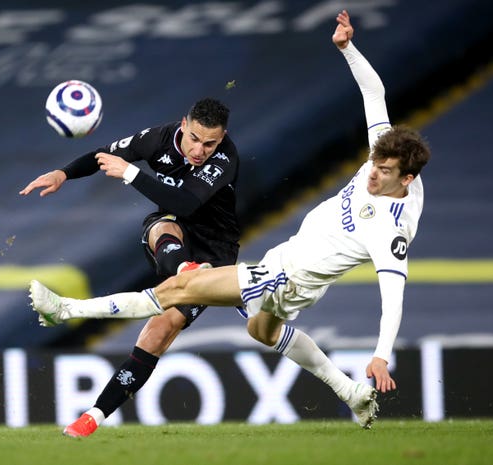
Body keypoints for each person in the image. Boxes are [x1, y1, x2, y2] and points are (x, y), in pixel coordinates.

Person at [29, 10, 431, 429]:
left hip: (276, 270)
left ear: (406, 178)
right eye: (375, 164)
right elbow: (374, 94)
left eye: (383, 173)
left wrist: (382, 354)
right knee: (263, 331)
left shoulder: (391, 227)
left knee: (175, 293)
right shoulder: (384, 157)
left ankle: (66, 309)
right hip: (287, 262)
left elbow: (394, 292)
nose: (372, 173)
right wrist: (348, 48)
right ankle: (351, 393)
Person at [20, 97, 243, 437]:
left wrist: (131, 174)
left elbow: (185, 200)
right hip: (177, 234)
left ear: (221, 137)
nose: (200, 150)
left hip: (217, 251)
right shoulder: (157, 139)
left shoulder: (225, 158)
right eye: (195, 138)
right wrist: (64, 173)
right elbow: (102, 155)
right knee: (161, 226)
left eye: (209, 143)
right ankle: (184, 271)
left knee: (159, 332)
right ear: (184, 125)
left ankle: (95, 414)